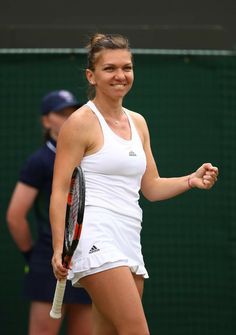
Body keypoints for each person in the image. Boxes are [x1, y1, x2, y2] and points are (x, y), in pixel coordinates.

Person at [49, 34, 219, 335]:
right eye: (110, 68)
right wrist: (58, 247)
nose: (120, 75)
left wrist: (190, 181)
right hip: (93, 235)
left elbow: (150, 187)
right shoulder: (79, 123)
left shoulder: (138, 122)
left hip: (128, 236)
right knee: (135, 329)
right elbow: (60, 190)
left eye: (127, 67)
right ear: (92, 75)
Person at [6, 90, 92, 335]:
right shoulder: (40, 161)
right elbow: (15, 216)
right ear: (46, 121)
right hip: (48, 259)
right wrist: (31, 256)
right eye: (60, 113)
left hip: (87, 256)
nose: (68, 117)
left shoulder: (89, 157)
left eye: (72, 112)